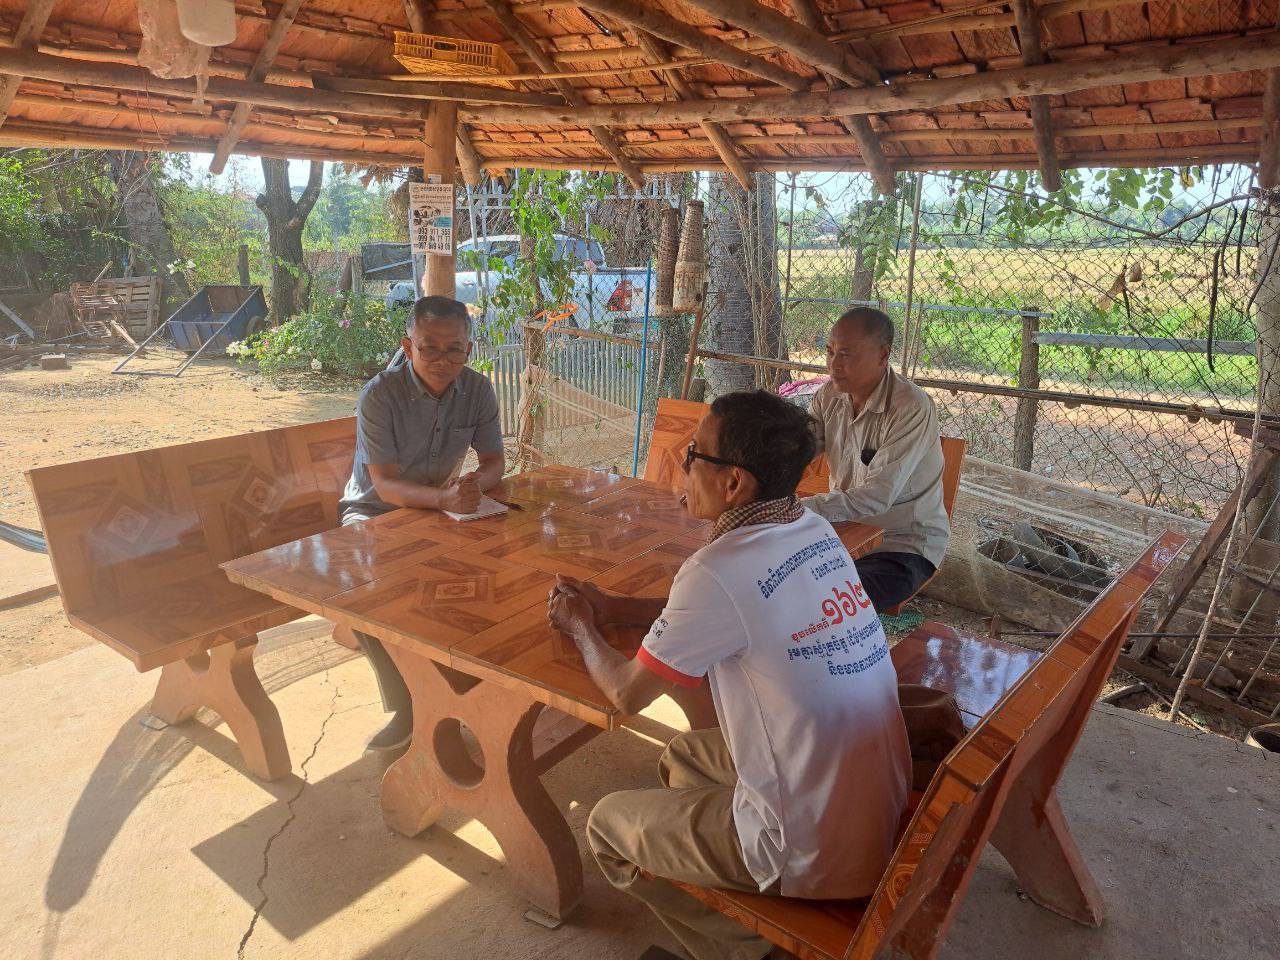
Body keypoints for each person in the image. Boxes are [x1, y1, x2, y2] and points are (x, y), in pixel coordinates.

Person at [547, 390, 910, 960]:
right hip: (872, 803)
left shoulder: (717, 569)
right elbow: (725, 610)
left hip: (809, 846)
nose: (683, 463)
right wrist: (615, 608)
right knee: (683, 758)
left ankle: (754, 949)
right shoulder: (813, 530)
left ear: (734, 482)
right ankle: (725, 869)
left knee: (607, 826)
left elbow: (625, 694)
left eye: (695, 453)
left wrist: (580, 627)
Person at [339, 294, 504, 751]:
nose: (442, 360)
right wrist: (446, 498)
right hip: (373, 512)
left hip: (441, 507)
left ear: (468, 350)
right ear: (408, 346)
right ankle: (408, 704)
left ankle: (467, 679)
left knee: (494, 568)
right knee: (368, 592)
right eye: (429, 347)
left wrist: (473, 486)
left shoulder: (477, 390)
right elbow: (385, 486)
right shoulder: (380, 395)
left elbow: (493, 463)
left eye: (454, 349)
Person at [803, 306, 949, 611]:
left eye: (846, 354)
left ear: (883, 355)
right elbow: (796, 452)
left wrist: (793, 509)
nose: (834, 364)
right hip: (844, 533)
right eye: (829, 352)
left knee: (824, 602)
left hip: (900, 545)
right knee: (770, 581)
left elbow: (876, 496)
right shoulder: (828, 396)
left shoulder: (911, 407)